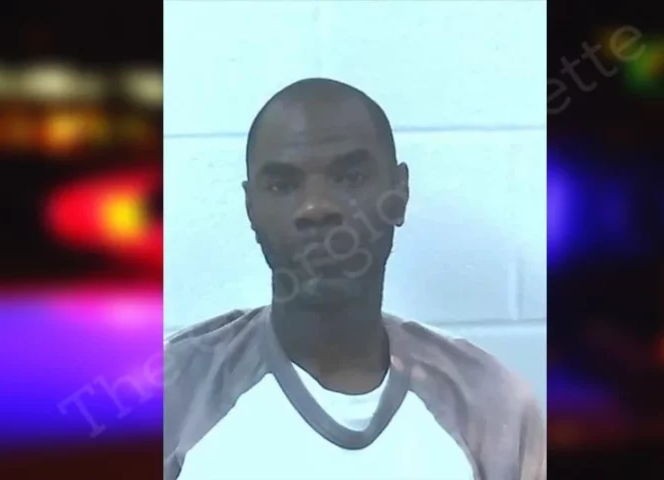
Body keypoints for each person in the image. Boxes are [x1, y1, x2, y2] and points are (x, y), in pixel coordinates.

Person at [164, 78, 545, 480]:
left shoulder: (492, 406)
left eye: (350, 178)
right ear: (250, 208)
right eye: (282, 185)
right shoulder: (170, 395)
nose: (316, 207)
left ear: (399, 193)